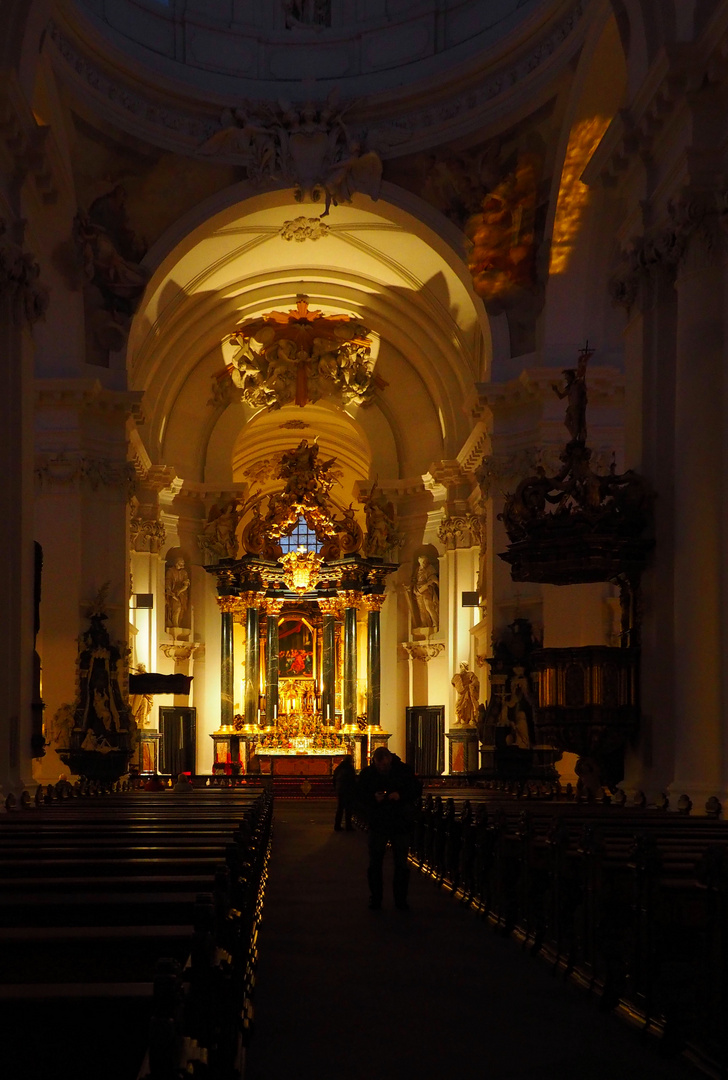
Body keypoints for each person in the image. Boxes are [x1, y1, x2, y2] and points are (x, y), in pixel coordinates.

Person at [356, 746, 420, 910]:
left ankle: (401, 899)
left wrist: (400, 795)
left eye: (384, 765)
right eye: (379, 766)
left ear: (389, 759)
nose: (382, 769)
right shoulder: (368, 774)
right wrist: (373, 798)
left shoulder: (404, 771)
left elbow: (416, 789)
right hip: (379, 823)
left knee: (401, 863)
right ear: (375, 762)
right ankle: (376, 898)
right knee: (375, 862)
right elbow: (359, 796)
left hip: (399, 822)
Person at [332, 754, 357, 831]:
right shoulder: (349, 768)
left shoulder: (339, 768)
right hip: (348, 790)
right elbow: (352, 779)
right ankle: (348, 826)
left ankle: (337, 825)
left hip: (340, 789)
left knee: (340, 808)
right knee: (348, 809)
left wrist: (336, 787)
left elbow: (334, 778)